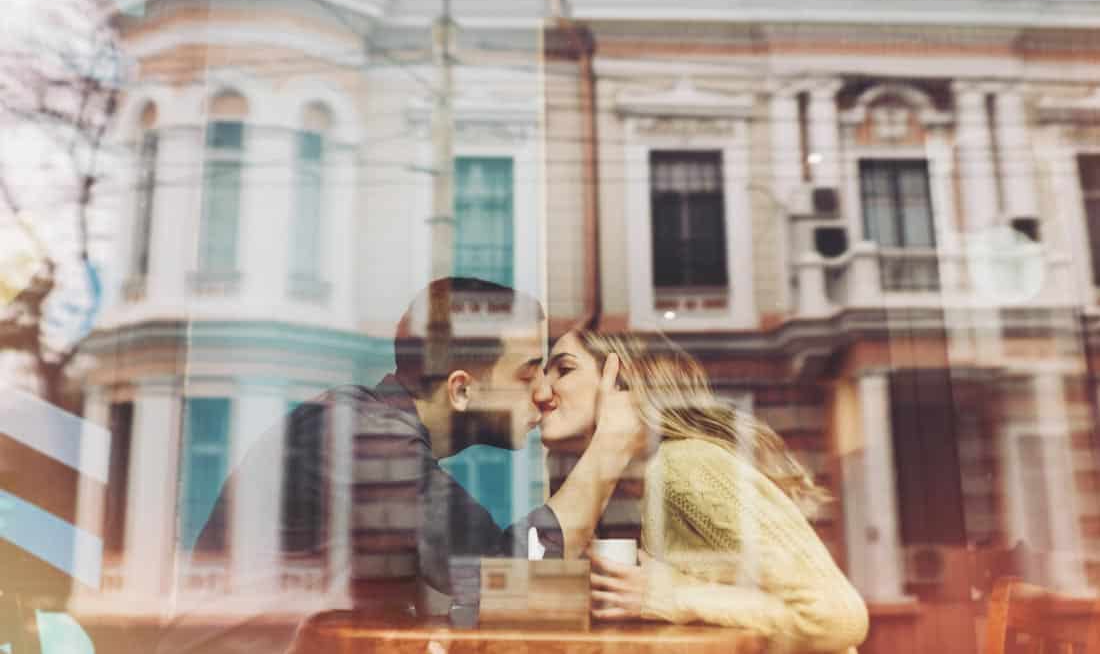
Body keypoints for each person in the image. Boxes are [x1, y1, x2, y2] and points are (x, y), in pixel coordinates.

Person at [156, 278, 644, 654]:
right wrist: (611, 448)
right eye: (526, 373)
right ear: (461, 389)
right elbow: (513, 580)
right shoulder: (366, 436)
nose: (542, 392)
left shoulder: (368, 428)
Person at [534, 329, 869, 654]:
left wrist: (667, 596)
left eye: (563, 370)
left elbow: (835, 616)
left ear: (622, 384)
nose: (541, 392)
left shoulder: (683, 463)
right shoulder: (660, 471)